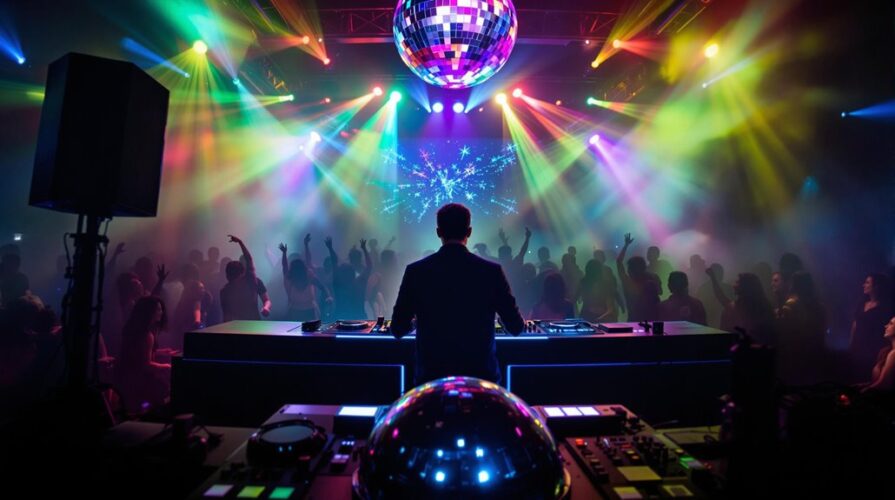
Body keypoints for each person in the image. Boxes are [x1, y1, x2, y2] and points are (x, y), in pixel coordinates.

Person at [392, 203, 525, 384]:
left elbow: (398, 329)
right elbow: (516, 327)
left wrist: (418, 320)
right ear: (469, 232)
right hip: (481, 380)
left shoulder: (416, 271)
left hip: (432, 380)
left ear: (438, 232)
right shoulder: (491, 271)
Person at [115, 296, 173, 415]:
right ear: (149, 312)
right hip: (139, 381)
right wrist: (167, 366)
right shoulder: (146, 335)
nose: (161, 312)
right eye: (158, 309)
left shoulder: (133, 330)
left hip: (125, 377)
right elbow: (146, 365)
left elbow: (137, 354)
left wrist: (161, 352)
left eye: (161, 309)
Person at [776, 271, 827, 386]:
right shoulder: (819, 305)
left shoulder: (791, 304)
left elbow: (784, 328)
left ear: (794, 285)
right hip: (815, 351)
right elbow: (823, 327)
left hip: (795, 351)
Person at [706, 269, 775, 343]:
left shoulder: (760, 309)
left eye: (737, 282)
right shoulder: (761, 306)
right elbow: (720, 296)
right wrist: (713, 278)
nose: (733, 285)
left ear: (745, 286)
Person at [849, 274, 892, 382]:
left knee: (865, 377)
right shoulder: (862, 303)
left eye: (868, 282)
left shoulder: (885, 308)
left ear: (876, 287)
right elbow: (855, 324)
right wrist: (851, 343)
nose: (864, 285)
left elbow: (885, 331)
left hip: (872, 349)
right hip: (857, 347)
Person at [220, 235, 271, 321]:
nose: (236, 283)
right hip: (236, 328)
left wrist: (266, 308)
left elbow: (266, 300)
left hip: (254, 325)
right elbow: (226, 315)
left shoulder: (253, 282)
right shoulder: (225, 291)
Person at [279, 242, 331, 321]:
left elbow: (322, 287)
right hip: (296, 311)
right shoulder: (290, 278)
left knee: (310, 331)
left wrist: (328, 296)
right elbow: (285, 267)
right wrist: (284, 253)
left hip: (309, 310)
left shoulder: (309, 277)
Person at [615, 233, 661, 321]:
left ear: (631, 270)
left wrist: (626, 245)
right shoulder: (651, 281)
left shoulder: (628, 283)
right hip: (651, 321)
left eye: (629, 268)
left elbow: (619, 262)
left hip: (634, 320)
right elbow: (659, 295)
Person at [861, 316, 895, 393]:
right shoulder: (885, 351)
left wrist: (863, 391)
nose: (886, 326)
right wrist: (865, 385)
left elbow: (884, 384)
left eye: (891, 323)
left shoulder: (894, 354)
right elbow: (878, 381)